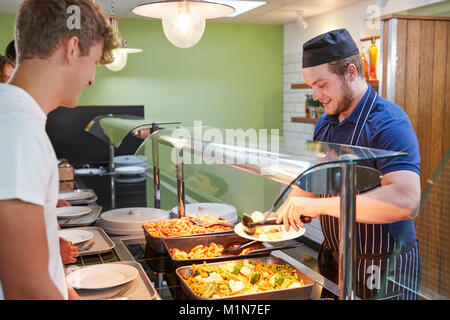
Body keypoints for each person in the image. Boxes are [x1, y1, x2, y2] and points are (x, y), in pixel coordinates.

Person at [275, 29, 421, 300]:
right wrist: (277, 216)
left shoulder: (390, 123)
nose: (317, 95)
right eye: (311, 87)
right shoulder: (326, 122)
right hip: (335, 256)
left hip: (382, 263)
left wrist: (317, 206)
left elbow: (405, 200)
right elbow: (318, 178)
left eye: (322, 84)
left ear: (351, 72)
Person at [0, 0, 119, 300]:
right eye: (93, 61)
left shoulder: (16, 117)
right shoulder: (17, 128)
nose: (92, 79)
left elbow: (35, 266)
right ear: (72, 48)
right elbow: (25, 289)